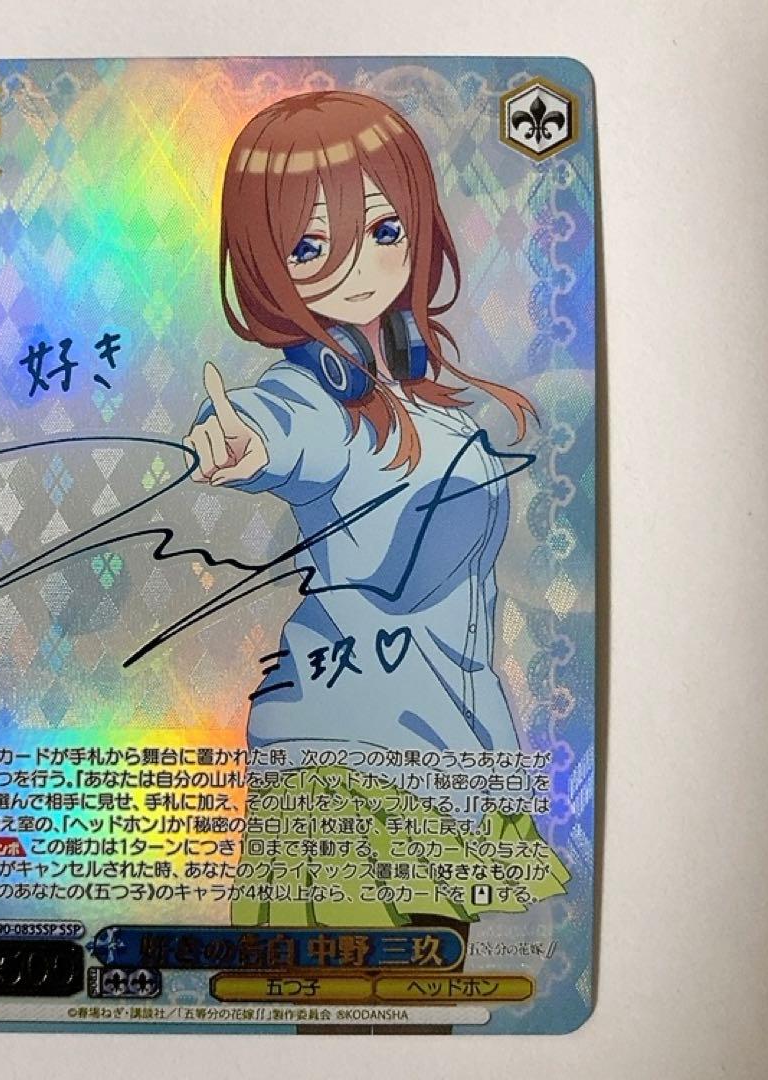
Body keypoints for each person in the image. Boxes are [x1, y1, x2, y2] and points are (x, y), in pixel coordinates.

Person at [185, 90, 569, 983]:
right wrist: (242, 444)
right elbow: (286, 431)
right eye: (310, 247)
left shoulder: (418, 389)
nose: (357, 265)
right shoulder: (311, 397)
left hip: (452, 742)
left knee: (429, 997)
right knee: (364, 1000)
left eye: (384, 229)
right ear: (265, 264)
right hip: (348, 758)